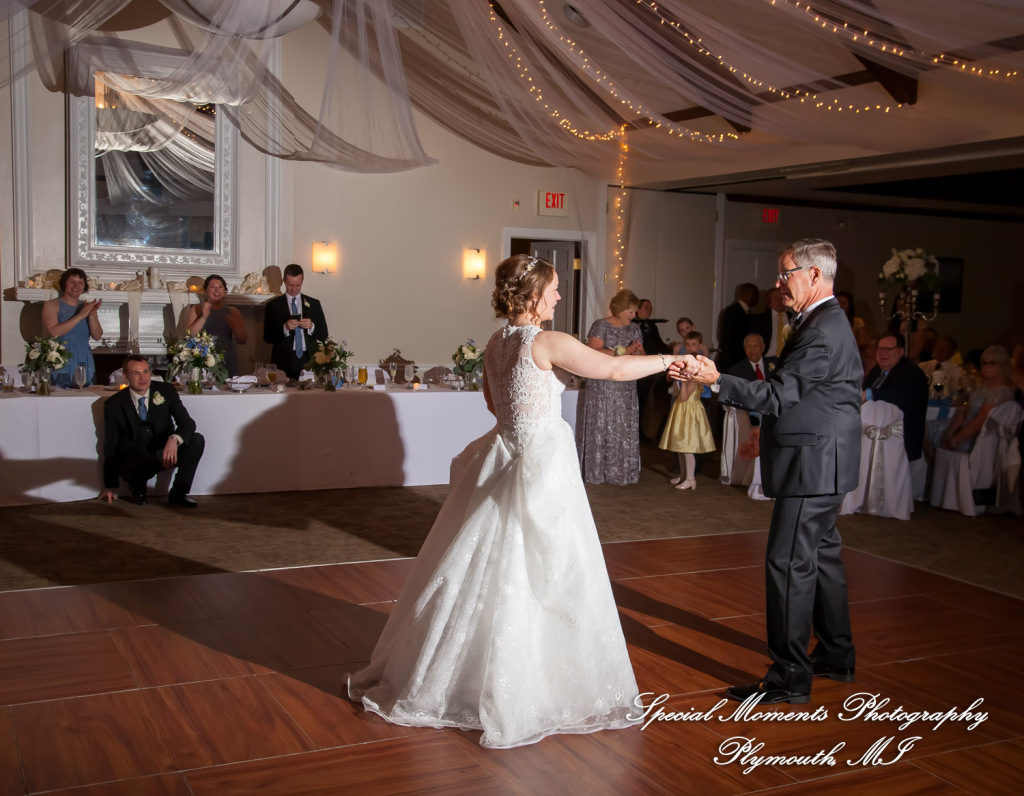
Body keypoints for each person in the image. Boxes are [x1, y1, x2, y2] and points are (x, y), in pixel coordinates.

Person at [347, 254, 683, 748]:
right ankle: (532, 687)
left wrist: (522, 421)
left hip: (505, 453)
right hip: (542, 462)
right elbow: (612, 369)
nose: (559, 296)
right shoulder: (545, 341)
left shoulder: (495, 342)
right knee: (548, 570)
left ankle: (461, 675)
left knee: (488, 566)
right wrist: (671, 360)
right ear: (533, 295)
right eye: (554, 288)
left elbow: (493, 402)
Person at [672, 238, 861, 705]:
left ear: (814, 274)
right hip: (825, 459)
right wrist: (766, 432)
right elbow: (811, 396)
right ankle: (836, 654)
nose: (777, 284)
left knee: (788, 564)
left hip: (812, 464)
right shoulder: (825, 321)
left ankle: (788, 676)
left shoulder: (820, 329)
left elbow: (778, 395)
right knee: (823, 557)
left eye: (785, 273)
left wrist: (716, 379)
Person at [99, 355, 205, 508]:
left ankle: (179, 493)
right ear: (125, 376)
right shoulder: (113, 404)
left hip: (163, 451)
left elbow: (187, 423)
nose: (143, 378)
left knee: (196, 440)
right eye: (136, 373)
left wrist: (174, 439)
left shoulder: (166, 390)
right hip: (134, 459)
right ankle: (137, 486)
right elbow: (111, 445)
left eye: (146, 371)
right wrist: (110, 485)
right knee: (131, 455)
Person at [577, 288, 644, 485]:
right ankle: (596, 471)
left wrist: (637, 352)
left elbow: (642, 354)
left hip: (626, 385)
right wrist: (624, 351)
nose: (634, 315)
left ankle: (621, 472)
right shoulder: (600, 325)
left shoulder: (635, 330)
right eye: (631, 311)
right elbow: (594, 352)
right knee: (601, 424)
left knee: (622, 426)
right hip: (602, 384)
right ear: (620, 309)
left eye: (635, 311)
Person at [862, 332, 929, 464]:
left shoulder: (911, 372)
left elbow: (898, 396)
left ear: (901, 351)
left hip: (901, 446)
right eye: (880, 349)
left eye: (888, 349)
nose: (883, 353)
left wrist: (869, 394)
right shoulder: (876, 371)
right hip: (873, 440)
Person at [942, 345, 1014, 452]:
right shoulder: (984, 386)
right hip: (965, 437)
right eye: (984, 363)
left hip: (980, 445)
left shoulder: (1000, 392)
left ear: (1002, 365)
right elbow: (966, 411)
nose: (986, 367)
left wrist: (955, 440)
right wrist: (949, 433)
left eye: (992, 363)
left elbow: (980, 421)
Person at [262, 263, 328, 379]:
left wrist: (311, 326)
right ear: (284, 281)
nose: (294, 289)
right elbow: (267, 337)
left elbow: (324, 334)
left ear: (302, 281)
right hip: (283, 360)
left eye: (298, 285)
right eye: (290, 285)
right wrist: (285, 328)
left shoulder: (314, 304)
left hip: (308, 359)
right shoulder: (273, 306)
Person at [659, 352, 714, 490]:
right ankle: (684, 475)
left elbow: (684, 397)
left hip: (690, 413)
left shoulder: (693, 381)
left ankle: (690, 478)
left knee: (687, 448)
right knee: (680, 448)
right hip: (682, 412)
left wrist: (683, 382)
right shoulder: (688, 379)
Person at [42, 268, 102, 387]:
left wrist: (92, 315)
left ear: (84, 287)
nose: (76, 286)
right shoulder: (51, 304)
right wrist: (80, 315)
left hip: (84, 357)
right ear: (64, 283)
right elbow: (54, 332)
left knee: (84, 392)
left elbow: (97, 336)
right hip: (61, 357)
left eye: (80, 283)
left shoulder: (86, 307)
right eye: (72, 281)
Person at [184, 274, 248, 376]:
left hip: (227, 357)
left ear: (225, 291)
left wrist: (235, 326)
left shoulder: (233, 311)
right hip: (204, 358)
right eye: (213, 287)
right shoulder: (197, 309)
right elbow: (189, 335)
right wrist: (203, 317)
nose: (217, 290)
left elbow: (243, 339)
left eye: (220, 287)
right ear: (206, 291)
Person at [634, 299, 671, 440]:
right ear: (638, 309)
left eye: (651, 307)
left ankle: (646, 431)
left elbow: (658, 344)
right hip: (639, 367)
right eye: (646, 307)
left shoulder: (652, 326)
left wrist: (670, 349)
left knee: (648, 401)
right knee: (639, 400)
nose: (649, 310)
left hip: (650, 368)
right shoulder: (634, 325)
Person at [716, 282, 758, 373]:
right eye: (755, 294)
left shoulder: (747, 312)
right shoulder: (733, 311)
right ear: (748, 294)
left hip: (737, 361)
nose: (757, 298)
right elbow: (728, 340)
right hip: (732, 361)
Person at [751, 287, 792, 359]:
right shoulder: (759, 320)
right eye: (776, 298)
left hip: (788, 359)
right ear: (769, 301)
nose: (780, 301)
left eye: (782, 298)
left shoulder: (793, 318)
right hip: (767, 358)